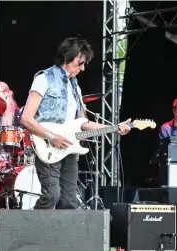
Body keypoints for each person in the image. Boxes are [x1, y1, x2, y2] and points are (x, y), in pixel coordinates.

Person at [21, 37, 131, 210]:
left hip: (69, 148)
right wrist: (52, 136)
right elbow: (26, 118)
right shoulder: (44, 78)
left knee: (69, 200)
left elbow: (83, 124)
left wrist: (115, 128)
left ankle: (63, 236)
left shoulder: (75, 87)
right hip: (48, 145)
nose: (82, 68)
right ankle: (33, 231)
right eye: (80, 63)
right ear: (67, 57)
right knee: (51, 195)